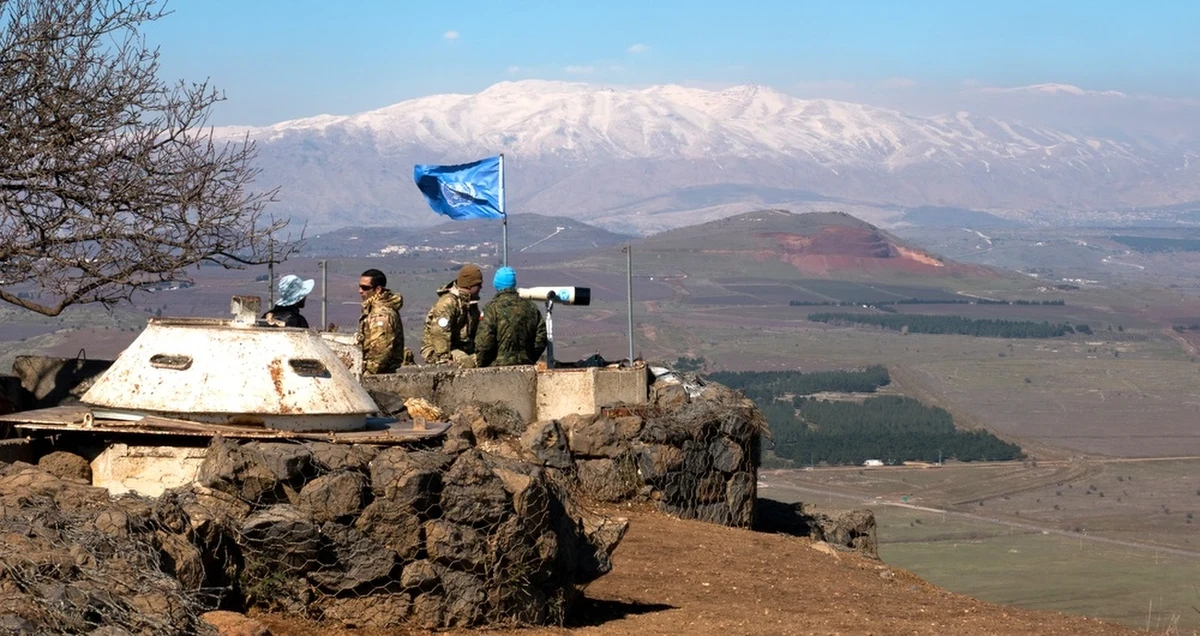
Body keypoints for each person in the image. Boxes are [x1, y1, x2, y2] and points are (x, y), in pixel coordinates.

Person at [474, 266, 547, 368]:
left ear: (496, 283)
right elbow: (541, 338)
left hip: (498, 369)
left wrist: (483, 364)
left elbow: (484, 343)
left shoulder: (492, 309)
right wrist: (529, 358)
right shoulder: (531, 307)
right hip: (526, 367)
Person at [421, 263, 482, 366]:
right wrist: (444, 358)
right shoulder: (448, 303)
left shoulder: (469, 303)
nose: (481, 287)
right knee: (467, 363)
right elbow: (439, 332)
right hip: (438, 349)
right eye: (478, 284)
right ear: (469, 285)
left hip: (462, 346)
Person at [356, 268, 406, 374]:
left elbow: (380, 350)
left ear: (378, 289)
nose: (360, 291)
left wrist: (368, 373)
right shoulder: (373, 309)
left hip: (381, 374)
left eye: (365, 288)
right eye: (360, 286)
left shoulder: (381, 315)